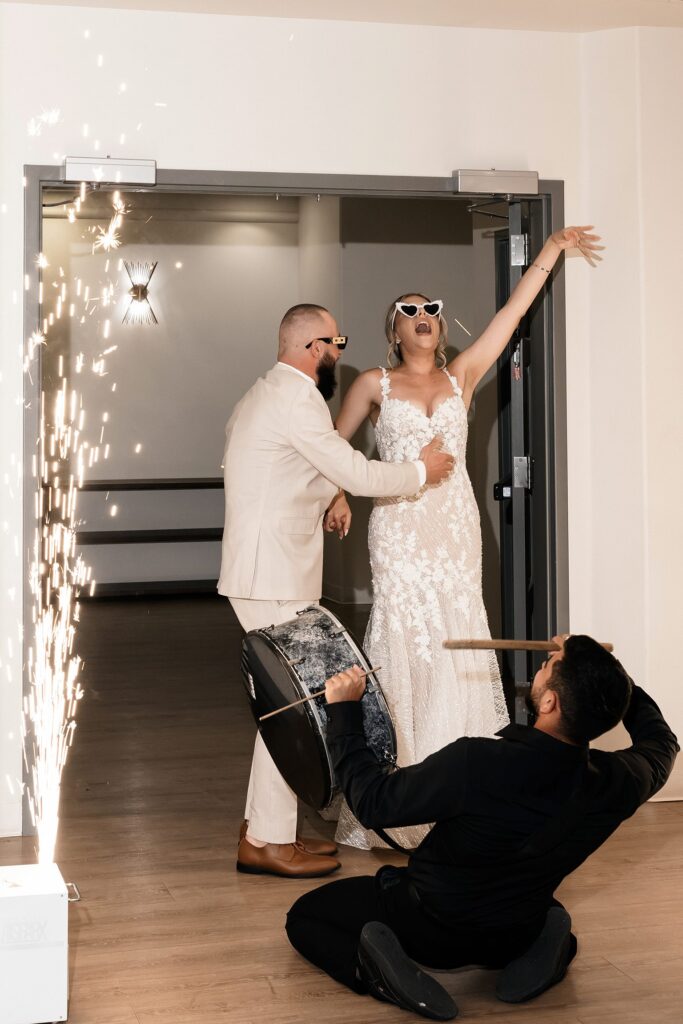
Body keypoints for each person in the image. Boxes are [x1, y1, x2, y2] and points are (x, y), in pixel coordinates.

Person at [326, 225, 604, 849]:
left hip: (454, 529)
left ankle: (463, 797)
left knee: (458, 637)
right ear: (393, 329)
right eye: (409, 310)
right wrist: (338, 491)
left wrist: (552, 250)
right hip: (398, 530)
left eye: (431, 309)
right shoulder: (373, 383)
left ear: (441, 327)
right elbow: (332, 447)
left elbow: (512, 314)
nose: (422, 316)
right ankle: (399, 795)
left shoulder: (462, 377)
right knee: (405, 637)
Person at [286, 635, 678, 1019]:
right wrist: (609, 677)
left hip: (428, 931)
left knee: (305, 916)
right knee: (544, 905)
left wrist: (344, 713)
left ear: (549, 701)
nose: (541, 667)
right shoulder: (620, 781)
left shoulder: (477, 762)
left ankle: (374, 974)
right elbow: (662, 741)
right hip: (515, 931)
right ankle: (547, 946)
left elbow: (373, 803)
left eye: (546, 667)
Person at [218, 302, 454, 879]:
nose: (340, 354)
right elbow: (355, 470)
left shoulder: (264, 394)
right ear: (310, 348)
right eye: (335, 342)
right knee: (292, 707)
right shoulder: (296, 399)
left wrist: (325, 496)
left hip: (266, 569)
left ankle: (264, 831)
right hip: (268, 574)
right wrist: (421, 471)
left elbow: (298, 469)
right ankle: (268, 842)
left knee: (288, 702)